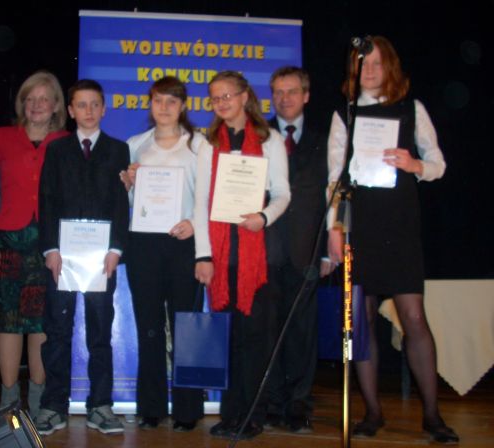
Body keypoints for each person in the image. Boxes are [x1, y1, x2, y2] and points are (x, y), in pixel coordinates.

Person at [327, 35, 458, 444]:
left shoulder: (411, 108)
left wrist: (414, 164)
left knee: (414, 319)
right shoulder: (344, 114)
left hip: (399, 226)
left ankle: (432, 416)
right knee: (361, 323)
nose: (369, 70)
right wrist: (335, 227)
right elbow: (334, 179)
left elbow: (438, 165)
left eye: (377, 63)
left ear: (390, 68)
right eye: (362, 63)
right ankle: (372, 412)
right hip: (361, 226)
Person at [194, 70, 291, 440]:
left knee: (255, 337)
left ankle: (252, 414)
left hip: (257, 255)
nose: (222, 103)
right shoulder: (208, 144)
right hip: (221, 256)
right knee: (230, 338)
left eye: (228, 96)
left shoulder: (270, 140)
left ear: (245, 96)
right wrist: (203, 255)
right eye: (215, 98)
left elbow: (283, 193)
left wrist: (263, 217)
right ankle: (231, 413)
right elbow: (201, 202)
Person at [33, 79, 130, 436]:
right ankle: (53, 406)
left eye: (95, 104)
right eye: (81, 105)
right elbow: (46, 200)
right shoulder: (57, 150)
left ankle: (100, 405)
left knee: (100, 332)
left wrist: (116, 249)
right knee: (57, 331)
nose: (88, 111)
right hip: (62, 257)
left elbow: (120, 204)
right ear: (71, 110)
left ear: (104, 108)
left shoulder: (118, 150)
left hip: (103, 258)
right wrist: (50, 249)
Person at [121, 77, 207, 432]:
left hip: (184, 243)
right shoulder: (135, 145)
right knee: (150, 327)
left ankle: (188, 409)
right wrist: (129, 185)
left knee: (186, 326)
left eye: (172, 101)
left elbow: (207, 196)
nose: (165, 108)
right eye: (158, 100)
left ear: (183, 106)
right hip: (144, 245)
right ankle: (151, 406)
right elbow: (132, 202)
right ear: (150, 103)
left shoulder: (199, 144)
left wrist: (194, 225)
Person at [0, 71, 68, 418]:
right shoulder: (1, 137)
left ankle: (37, 397)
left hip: (50, 242)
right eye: (30, 98)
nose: (36, 105)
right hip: (8, 238)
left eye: (44, 98)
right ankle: (8, 399)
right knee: (8, 320)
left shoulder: (66, 141)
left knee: (40, 322)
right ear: (22, 104)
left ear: (56, 105)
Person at [264, 66, 334, 433]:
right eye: (277, 92)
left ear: (306, 95)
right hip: (266, 248)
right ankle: (272, 402)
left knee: (302, 332)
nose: (284, 98)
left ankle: (298, 405)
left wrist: (327, 251)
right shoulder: (260, 136)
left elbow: (332, 197)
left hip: (307, 249)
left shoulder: (327, 140)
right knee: (269, 328)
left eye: (291, 91)